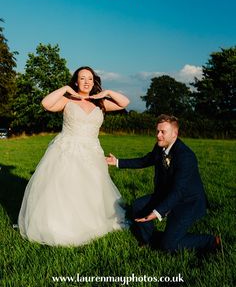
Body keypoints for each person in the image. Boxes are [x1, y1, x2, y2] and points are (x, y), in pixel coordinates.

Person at [18, 66, 130, 246]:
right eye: (82, 78)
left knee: (91, 189)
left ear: (94, 82)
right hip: (67, 149)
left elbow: (124, 102)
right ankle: (61, 225)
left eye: (90, 79)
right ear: (76, 81)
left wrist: (107, 92)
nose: (86, 82)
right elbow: (46, 104)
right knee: (65, 187)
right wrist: (66, 89)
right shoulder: (67, 100)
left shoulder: (100, 103)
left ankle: (91, 223)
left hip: (92, 150)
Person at [106, 114, 221, 253]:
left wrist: (157, 212)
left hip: (188, 202)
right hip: (167, 195)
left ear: (175, 134)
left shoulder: (186, 156)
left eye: (163, 132)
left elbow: (178, 191)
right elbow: (146, 160)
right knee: (138, 206)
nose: (158, 135)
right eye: (157, 131)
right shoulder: (160, 147)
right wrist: (118, 162)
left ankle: (210, 241)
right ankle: (149, 240)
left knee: (169, 246)